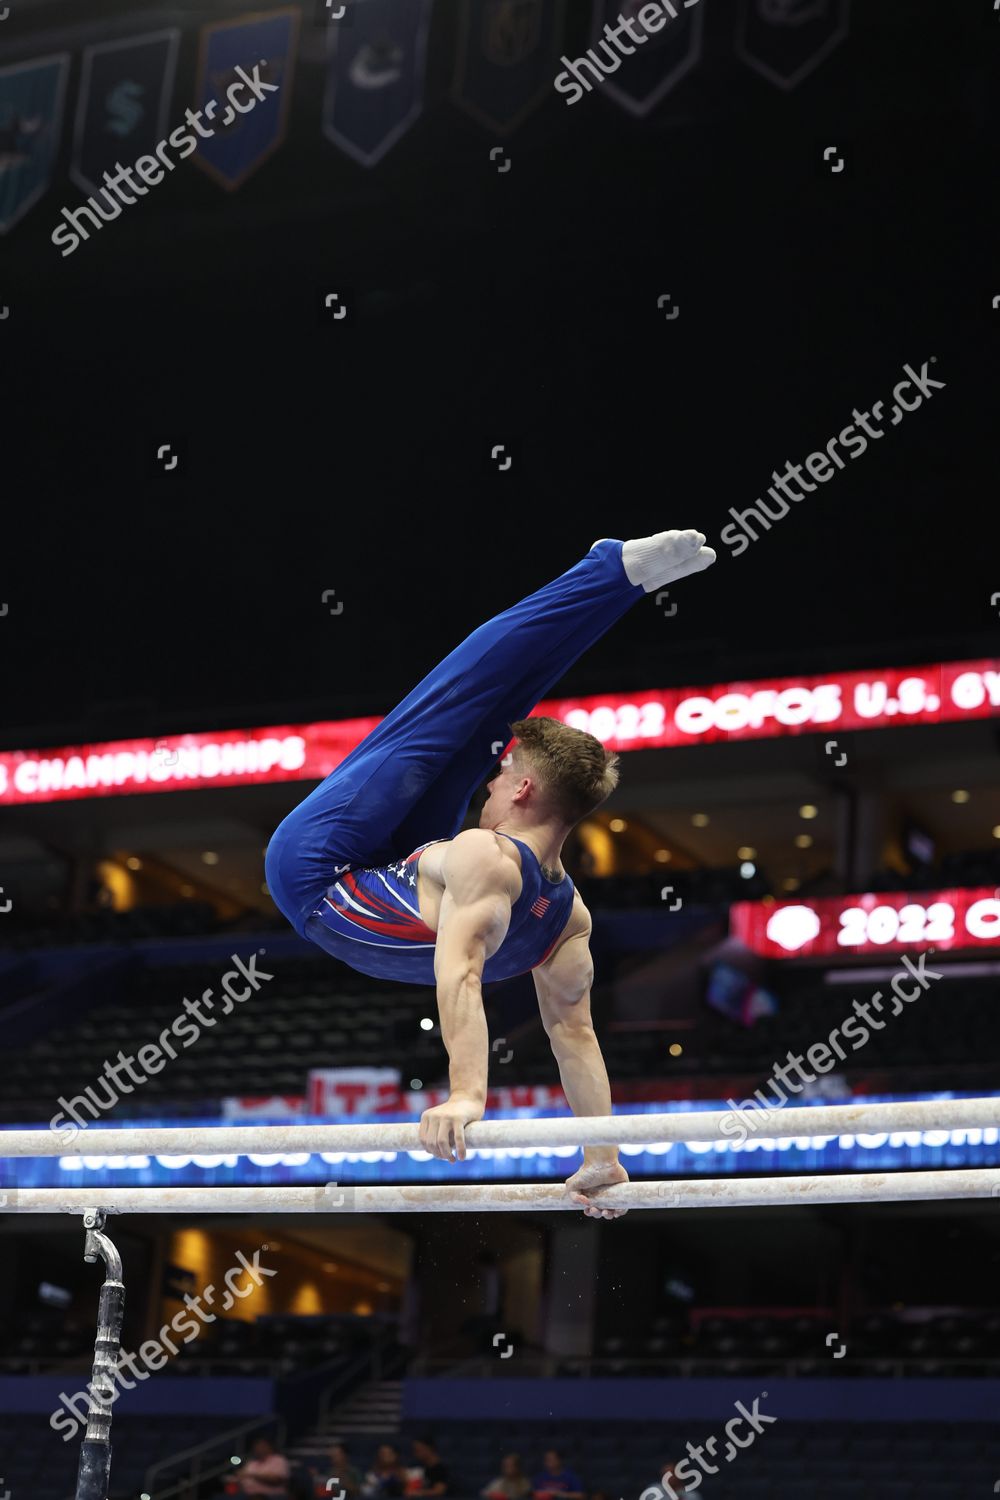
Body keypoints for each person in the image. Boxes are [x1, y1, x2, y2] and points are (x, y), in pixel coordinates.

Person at [266, 531, 715, 1217]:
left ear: (527, 793)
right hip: (390, 869)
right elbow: (574, 1035)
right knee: (483, 720)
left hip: (316, 871)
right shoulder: (568, 916)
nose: (493, 783)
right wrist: (604, 1157)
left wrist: (468, 1092)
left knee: (456, 698)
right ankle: (619, 586)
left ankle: (608, 573)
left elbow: (461, 974)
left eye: (507, 775)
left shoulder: (483, 856)